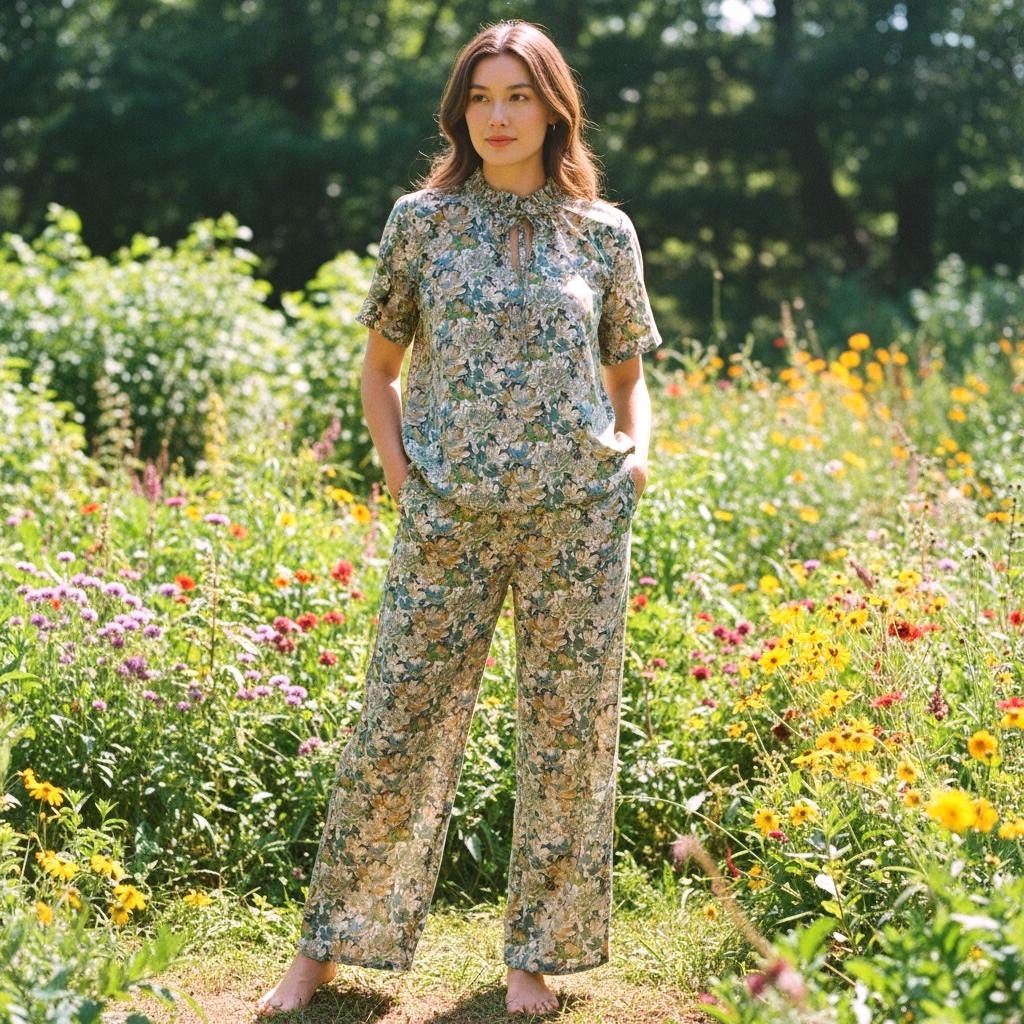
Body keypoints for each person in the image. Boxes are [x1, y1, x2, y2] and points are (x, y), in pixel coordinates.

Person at [257, 17, 662, 1018]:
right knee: (395, 724)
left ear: (551, 107)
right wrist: (400, 474)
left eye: (517, 95)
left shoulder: (603, 233)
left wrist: (636, 451)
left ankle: (536, 957)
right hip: (448, 516)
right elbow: (381, 367)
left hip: (577, 516)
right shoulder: (421, 222)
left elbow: (629, 373)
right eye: (480, 96)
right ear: (459, 109)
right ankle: (326, 949)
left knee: (568, 736)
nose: (497, 115)